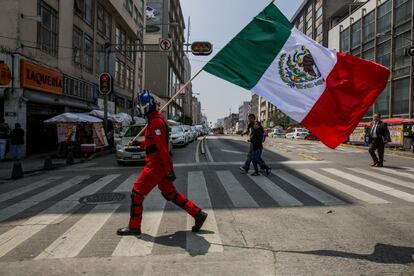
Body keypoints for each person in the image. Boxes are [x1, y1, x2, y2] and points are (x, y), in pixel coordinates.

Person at [117, 90, 208, 236]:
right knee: (170, 193)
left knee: (137, 193)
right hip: (159, 166)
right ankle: (197, 214)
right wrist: (138, 145)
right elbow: (151, 143)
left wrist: (168, 170)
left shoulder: (156, 122)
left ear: (145, 106)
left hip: (156, 166)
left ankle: (134, 226)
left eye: (140, 105)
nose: (139, 108)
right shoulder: (154, 121)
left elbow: (163, 149)